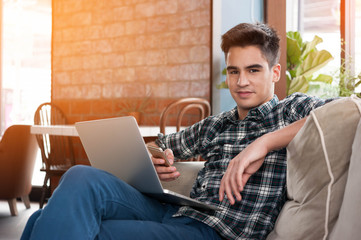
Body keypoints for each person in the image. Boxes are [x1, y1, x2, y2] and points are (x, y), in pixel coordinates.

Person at [21, 23, 332, 240]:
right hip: (176, 213)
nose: (241, 82)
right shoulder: (217, 124)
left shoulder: (290, 110)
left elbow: (343, 112)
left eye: (253, 70)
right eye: (234, 71)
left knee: (50, 223)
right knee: (79, 176)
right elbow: (163, 144)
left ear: (275, 72)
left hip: (215, 232)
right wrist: (155, 155)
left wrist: (263, 144)